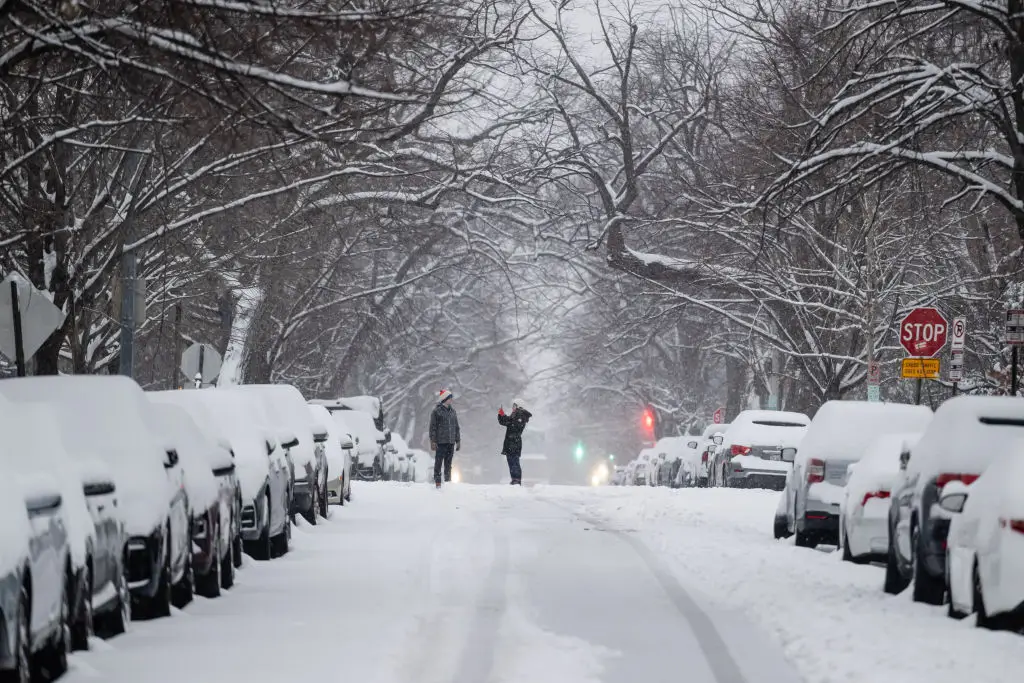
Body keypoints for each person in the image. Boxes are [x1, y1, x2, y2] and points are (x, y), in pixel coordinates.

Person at [429, 389, 461, 488]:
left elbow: (456, 427)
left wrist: (458, 440)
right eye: (449, 398)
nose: (451, 400)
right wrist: (433, 441)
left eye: (451, 398)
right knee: (438, 462)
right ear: (444, 399)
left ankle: (448, 482)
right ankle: (437, 481)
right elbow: (432, 427)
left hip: (451, 442)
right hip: (441, 442)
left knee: (448, 463)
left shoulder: (453, 411)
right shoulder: (436, 411)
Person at [498, 398, 531, 485]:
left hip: (514, 443)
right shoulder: (515, 414)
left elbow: (513, 425)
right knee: (511, 462)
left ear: (518, 406)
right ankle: (514, 479)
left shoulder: (520, 414)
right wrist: (501, 415)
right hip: (511, 442)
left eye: (514, 405)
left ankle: (516, 480)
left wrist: (505, 417)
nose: (512, 407)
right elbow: (506, 421)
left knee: (514, 462)